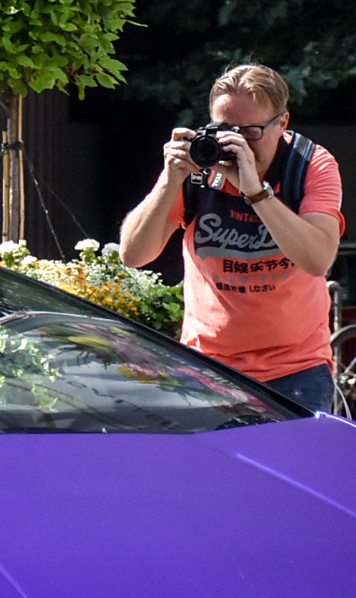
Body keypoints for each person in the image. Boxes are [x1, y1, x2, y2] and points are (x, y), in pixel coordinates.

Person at [117, 64, 344, 413]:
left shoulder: (309, 165)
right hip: (206, 366)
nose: (236, 142)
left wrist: (256, 192)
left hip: (296, 369)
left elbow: (318, 259)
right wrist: (168, 181)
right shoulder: (197, 172)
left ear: (282, 123)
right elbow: (133, 255)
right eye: (225, 129)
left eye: (250, 131)